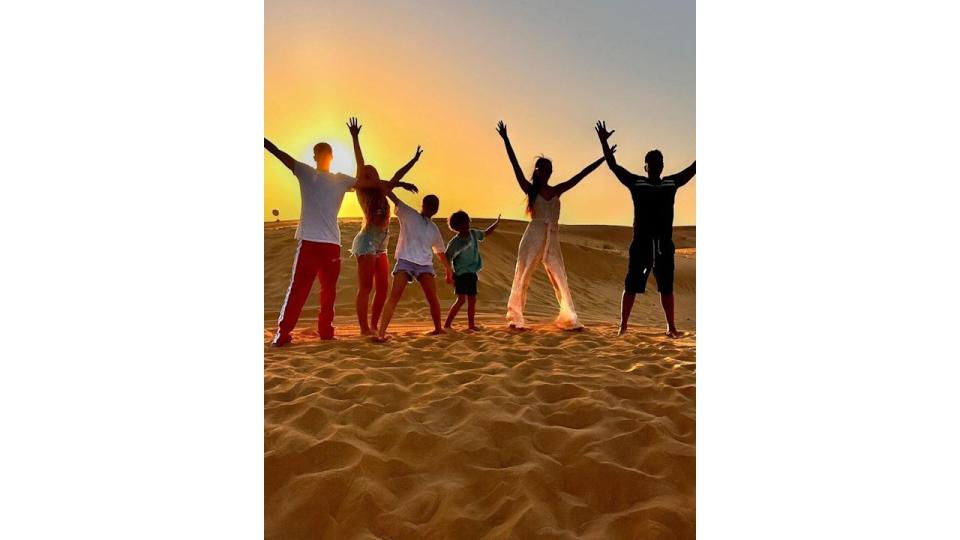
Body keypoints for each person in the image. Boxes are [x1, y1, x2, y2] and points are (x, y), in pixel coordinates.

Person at [264, 123, 398, 346]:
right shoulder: (305, 172)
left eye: (325, 153)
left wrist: (355, 139)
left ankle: (325, 331)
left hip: (331, 244)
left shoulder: (341, 179)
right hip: (309, 241)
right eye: (320, 153)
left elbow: (367, 179)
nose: (323, 156)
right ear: (315, 156)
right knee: (299, 289)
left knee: (329, 292)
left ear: (330, 156)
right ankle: (284, 332)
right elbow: (280, 154)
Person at [496, 121, 613, 330]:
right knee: (523, 275)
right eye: (543, 169)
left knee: (560, 277)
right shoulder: (529, 189)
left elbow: (581, 175)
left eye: (549, 169)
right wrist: (506, 139)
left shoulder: (558, 189)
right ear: (537, 171)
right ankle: (516, 318)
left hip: (552, 237)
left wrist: (604, 158)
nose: (546, 172)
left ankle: (569, 317)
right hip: (533, 235)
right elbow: (514, 165)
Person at [594, 120, 696, 338]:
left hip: (664, 246)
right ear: (646, 166)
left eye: (659, 162)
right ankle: (623, 326)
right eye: (652, 162)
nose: (656, 165)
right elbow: (613, 166)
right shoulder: (637, 183)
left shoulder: (671, 183)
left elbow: (694, 168)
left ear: (662, 165)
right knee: (631, 284)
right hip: (641, 244)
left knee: (666, 287)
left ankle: (671, 327)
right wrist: (603, 142)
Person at [346, 117, 421, 336]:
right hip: (367, 241)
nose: (370, 174)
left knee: (382, 288)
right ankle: (363, 328)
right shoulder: (362, 190)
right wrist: (355, 137)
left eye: (373, 172)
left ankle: (374, 325)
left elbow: (397, 175)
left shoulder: (382, 188)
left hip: (382, 242)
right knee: (366, 287)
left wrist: (414, 161)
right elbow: (360, 165)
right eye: (367, 173)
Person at [373, 191, 454, 342]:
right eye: (430, 205)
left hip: (424, 265)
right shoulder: (409, 214)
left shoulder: (433, 228)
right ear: (423, 205)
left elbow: (440, 251)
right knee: (394, 296)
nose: (432, 209)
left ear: (437, 209)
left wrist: (448, 270)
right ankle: (381, 334)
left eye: (434, 206)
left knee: (433, 298)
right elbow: (392, 196)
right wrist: (400, 184)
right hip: (405, 261)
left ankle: (438, 329)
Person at [443, 211, 501, 331]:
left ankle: (471, 325)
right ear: (457, 227)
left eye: (467, 222)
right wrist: (449, 274)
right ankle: (447, 324)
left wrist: (495, 224)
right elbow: (447, 257)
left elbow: (485, 233)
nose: (467, 225)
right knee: (461, 300)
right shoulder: (455, 242)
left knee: (472, 300)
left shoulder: (474, 234)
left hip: (472, 273)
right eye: (463, 223)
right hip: (460, 274)